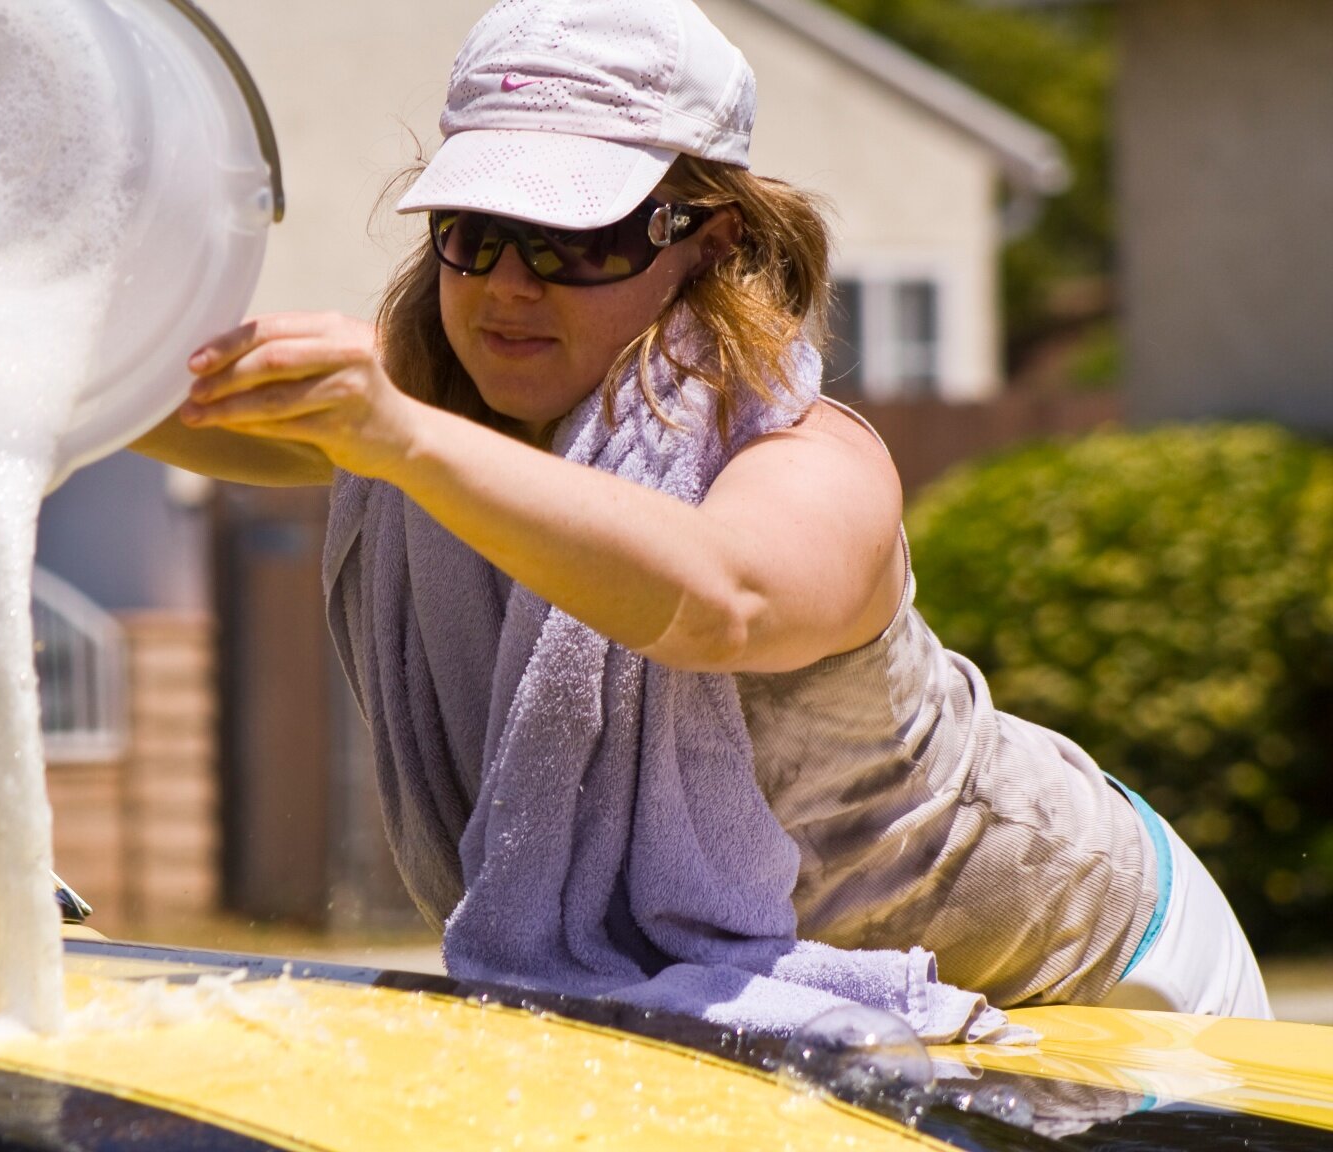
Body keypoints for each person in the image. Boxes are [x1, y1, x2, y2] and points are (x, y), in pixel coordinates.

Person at [138, 0, 1275, 1019]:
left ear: (706, 240)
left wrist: (397, 437)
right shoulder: (440, 421)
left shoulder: (808, 458)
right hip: (821, 987)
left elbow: (722, 598)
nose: (510, 284)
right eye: (472, 234)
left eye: (575, 238)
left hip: (1108, 966)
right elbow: (131, 398)